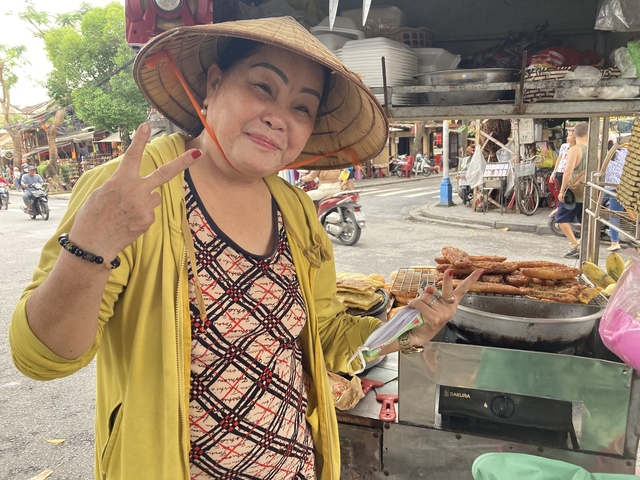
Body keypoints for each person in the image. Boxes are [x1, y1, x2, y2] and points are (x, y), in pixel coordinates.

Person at [9, 17, 482, 480]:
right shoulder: (129, 192)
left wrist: (410, 327)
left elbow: (325, 335)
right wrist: (91, 246)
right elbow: (42, 357)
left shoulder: (295, 208)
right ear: (213, 83)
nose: (280, 116)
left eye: (303, 107)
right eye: (262, 87)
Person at [558, 122, 588, 259]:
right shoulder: (596, 150)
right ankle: (582, 246)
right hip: (588, 191)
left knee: (561, 219)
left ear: (575, 134)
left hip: (573, 192)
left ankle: (574, 244)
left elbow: (568, 172)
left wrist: (562, 190)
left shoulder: (575, 149)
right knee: (586, 221)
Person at [604, 146, 628, 251]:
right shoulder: (625, 152)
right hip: (622, 187)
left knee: (614, 215)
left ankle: (614, 242)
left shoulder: (606, 155)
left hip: (614, 188)